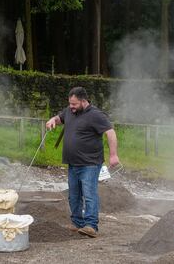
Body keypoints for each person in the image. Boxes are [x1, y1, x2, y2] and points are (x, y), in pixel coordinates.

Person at [46, 87, 119, 238]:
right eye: (70, 103)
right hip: (73, 163)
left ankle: (91, 226)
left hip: (90, 163)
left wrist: (113, 155)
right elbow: (61, 118)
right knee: (73, 195)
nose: (71, 107)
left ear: (83, 101)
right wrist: (53, 120)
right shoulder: (69, 111)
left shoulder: (96, 115)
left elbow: (110, 133)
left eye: (74, 104)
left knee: (89, 194)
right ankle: (78, 223)